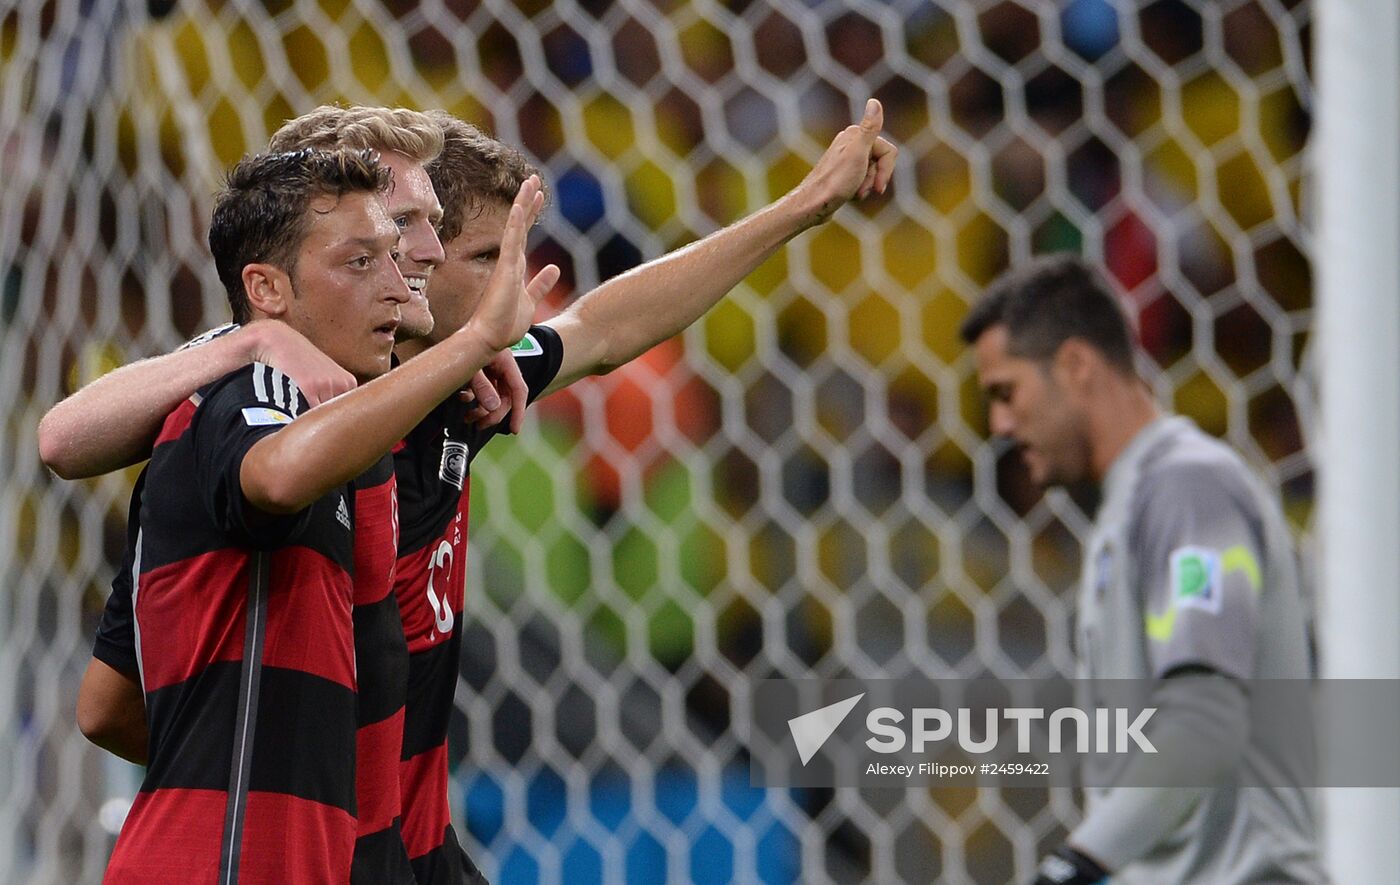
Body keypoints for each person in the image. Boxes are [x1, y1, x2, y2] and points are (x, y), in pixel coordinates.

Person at [61, 99, 897, 882]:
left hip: (407, 845)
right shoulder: (259, 401)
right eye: (472, 253)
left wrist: (799, 208)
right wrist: (278, 780)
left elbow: (608, 325)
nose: (422, 254)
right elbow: (108, 684)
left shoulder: (448, 392)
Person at [97, 146, 554, 883]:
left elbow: (104, 708)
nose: (399, 285)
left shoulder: (363, 431)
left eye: (393, 255)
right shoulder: (252, 394)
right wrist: (473, 339)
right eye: (359, 263)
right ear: (267, 289)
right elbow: (274, 476)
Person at [959, 254, 1325, 884]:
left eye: (1006, 393)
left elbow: (1206, 717)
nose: (999, 425)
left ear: (1075, 365)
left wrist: (1072, 868)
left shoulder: (1188, 488)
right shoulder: (1130, 507)